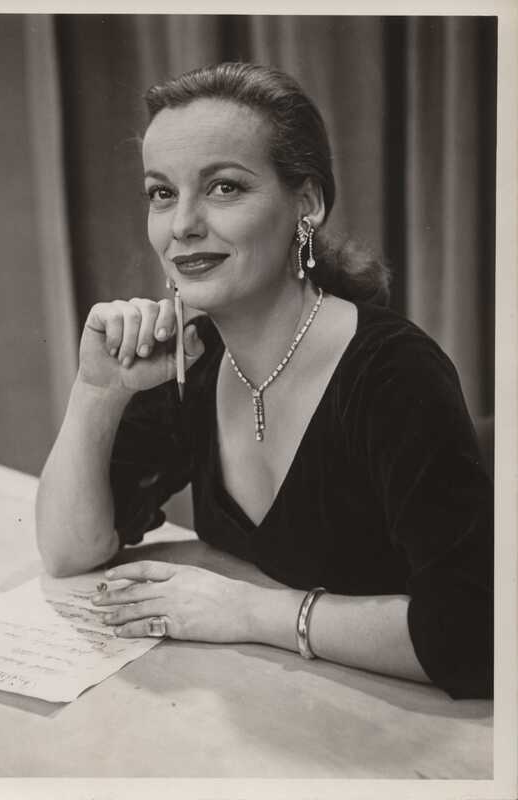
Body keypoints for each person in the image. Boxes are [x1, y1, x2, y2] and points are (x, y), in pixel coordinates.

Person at [35, 62, 493, 699]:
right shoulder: (190, 360)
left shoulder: (395, 375)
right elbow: (69, 551)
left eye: (223, 188)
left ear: (306, 203)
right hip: (276, 702)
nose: (182, 224)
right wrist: (97, 392)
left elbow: (475, 637)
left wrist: (248, 611)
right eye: (161, 193)